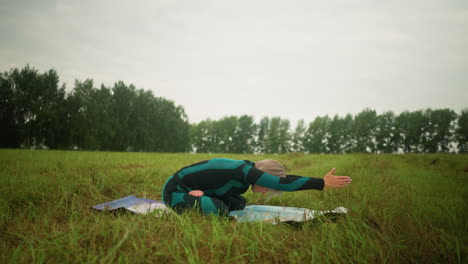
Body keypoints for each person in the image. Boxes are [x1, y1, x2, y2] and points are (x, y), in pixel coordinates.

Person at [162, 158, 352, 216]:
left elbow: (282, 179)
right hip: (174, 192)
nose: (268, 190)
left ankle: (201, 199)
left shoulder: (245, 176)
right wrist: (322, 183)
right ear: (263, 177)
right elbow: (282, 183)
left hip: (195, 190)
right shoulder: (245, 172)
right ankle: (196, 201)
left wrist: (201, 193)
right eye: (267, 186)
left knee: (239, 204)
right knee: (219, 211)